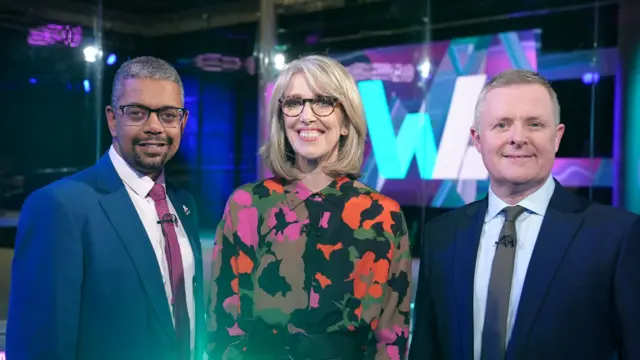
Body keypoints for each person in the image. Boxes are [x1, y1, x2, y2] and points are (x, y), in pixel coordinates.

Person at [409, 69, 640, 360]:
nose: (518, 137)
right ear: (477, 140)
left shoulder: (616, 236)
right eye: (502, 125)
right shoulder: (442, 234)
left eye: (534, 124)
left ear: (556, 138)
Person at [206, 54, 412, 360]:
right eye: (294, 103)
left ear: (346, 121)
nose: (307, 116)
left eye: (323, 102)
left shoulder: (383, 215)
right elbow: (222, 326)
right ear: (282, 118)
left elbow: (391, 337)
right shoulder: (246, 205)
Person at [7, 56, 205, 360]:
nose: (154, 127)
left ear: (183, 122)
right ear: (113, 119)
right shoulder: (59, 206)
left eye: (167, 115)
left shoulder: (184, 204)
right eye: (137, 113)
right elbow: (40, 345)